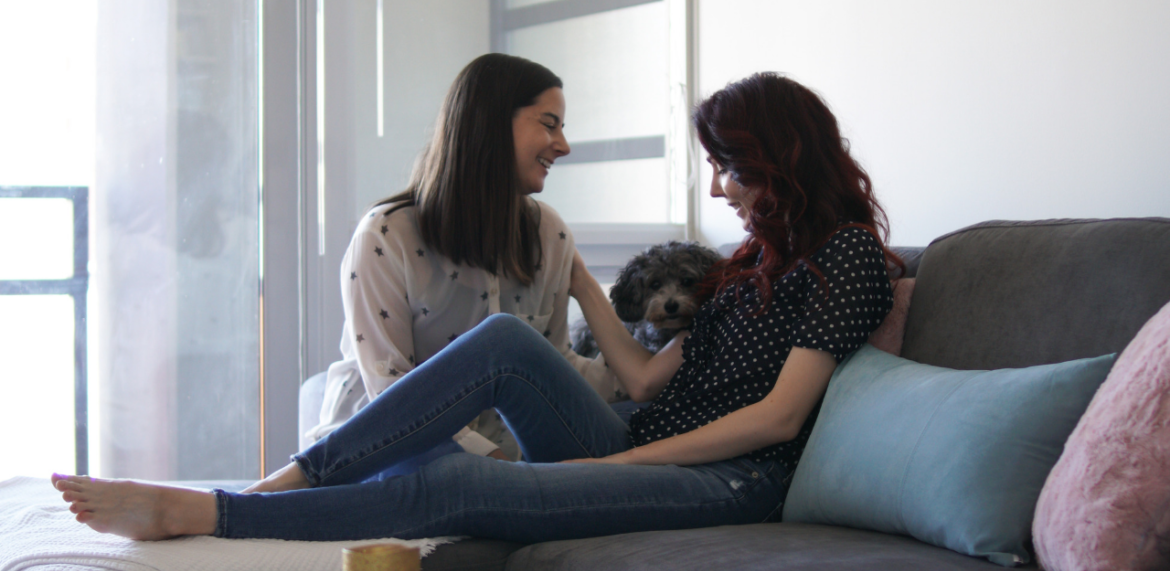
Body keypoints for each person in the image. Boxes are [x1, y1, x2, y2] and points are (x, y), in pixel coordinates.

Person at [52, 72, 900, 544]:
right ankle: (288, 477)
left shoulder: (848, 258)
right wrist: (580, 285)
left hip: (731, 482)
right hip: (648, 439)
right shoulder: (750, 264)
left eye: (733, 169)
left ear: (784, 159)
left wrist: (612, 471)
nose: (720, 189)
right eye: (715, 168)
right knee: (500, 342)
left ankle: (215, 512)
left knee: (454, 484)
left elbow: (779, 421)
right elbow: (644, 381)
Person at [304, 53, 617, 466]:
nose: (563, 145)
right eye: (548, 124)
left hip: (498, 465)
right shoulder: (386, 235)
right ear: (489, 122)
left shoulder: (550, 235)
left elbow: (553, 365)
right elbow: (392, 388)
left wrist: (664, 359)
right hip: (382, 450)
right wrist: (493, 464)